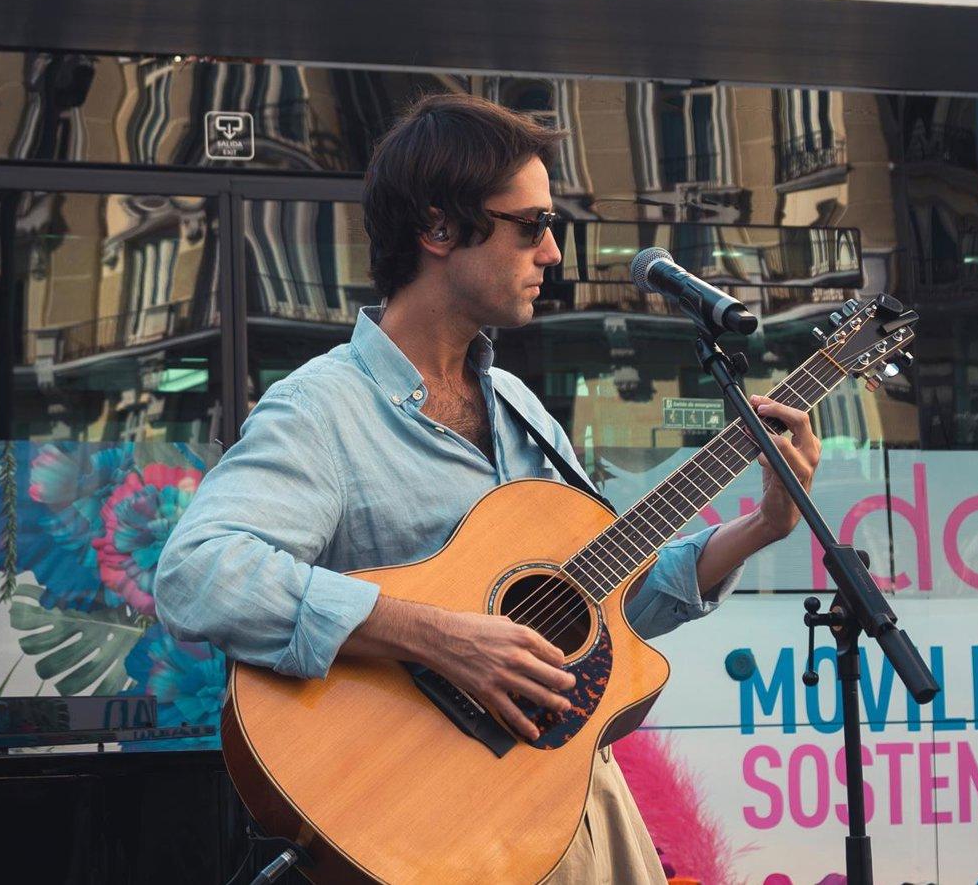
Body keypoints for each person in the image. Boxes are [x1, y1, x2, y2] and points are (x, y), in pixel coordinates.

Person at [153, 92, 820, 883]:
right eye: (531, 226)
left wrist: (758, 529)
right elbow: (198, 573)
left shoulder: (522, 412)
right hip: (416, 821)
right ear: (438, 229)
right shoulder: (322, 408)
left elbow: (596, 612)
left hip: (554, 815)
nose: (553, 256)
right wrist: (436, 635)